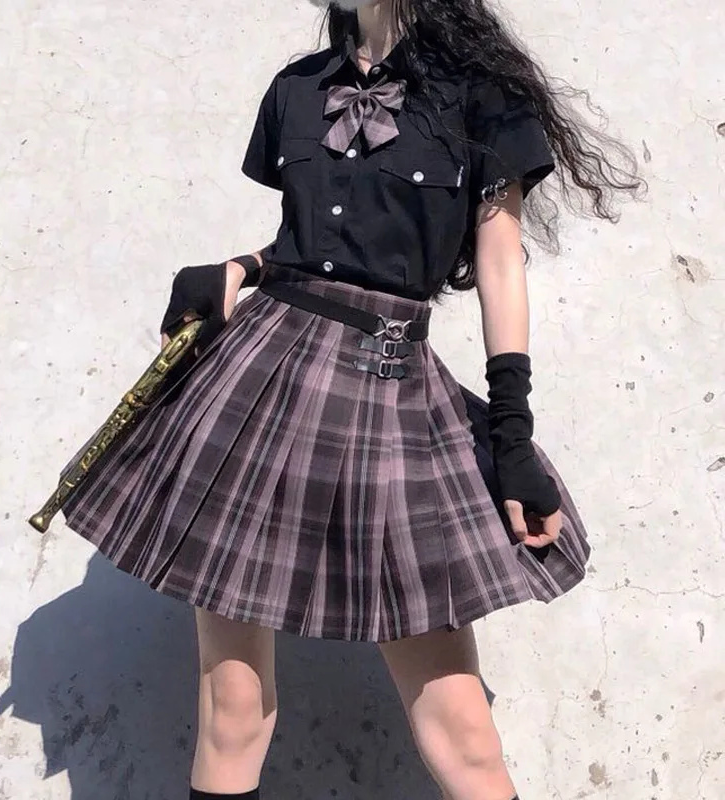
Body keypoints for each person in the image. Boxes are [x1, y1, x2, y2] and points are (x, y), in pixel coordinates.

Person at [58, 1, 642, 798]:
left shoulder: (483, 95)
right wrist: (241, 268)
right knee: (233, 706)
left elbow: (500, 264)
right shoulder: (296, 89)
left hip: (386, 395)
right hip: (260, 385)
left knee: (463, 733)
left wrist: (512, 437)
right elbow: (315, 242)